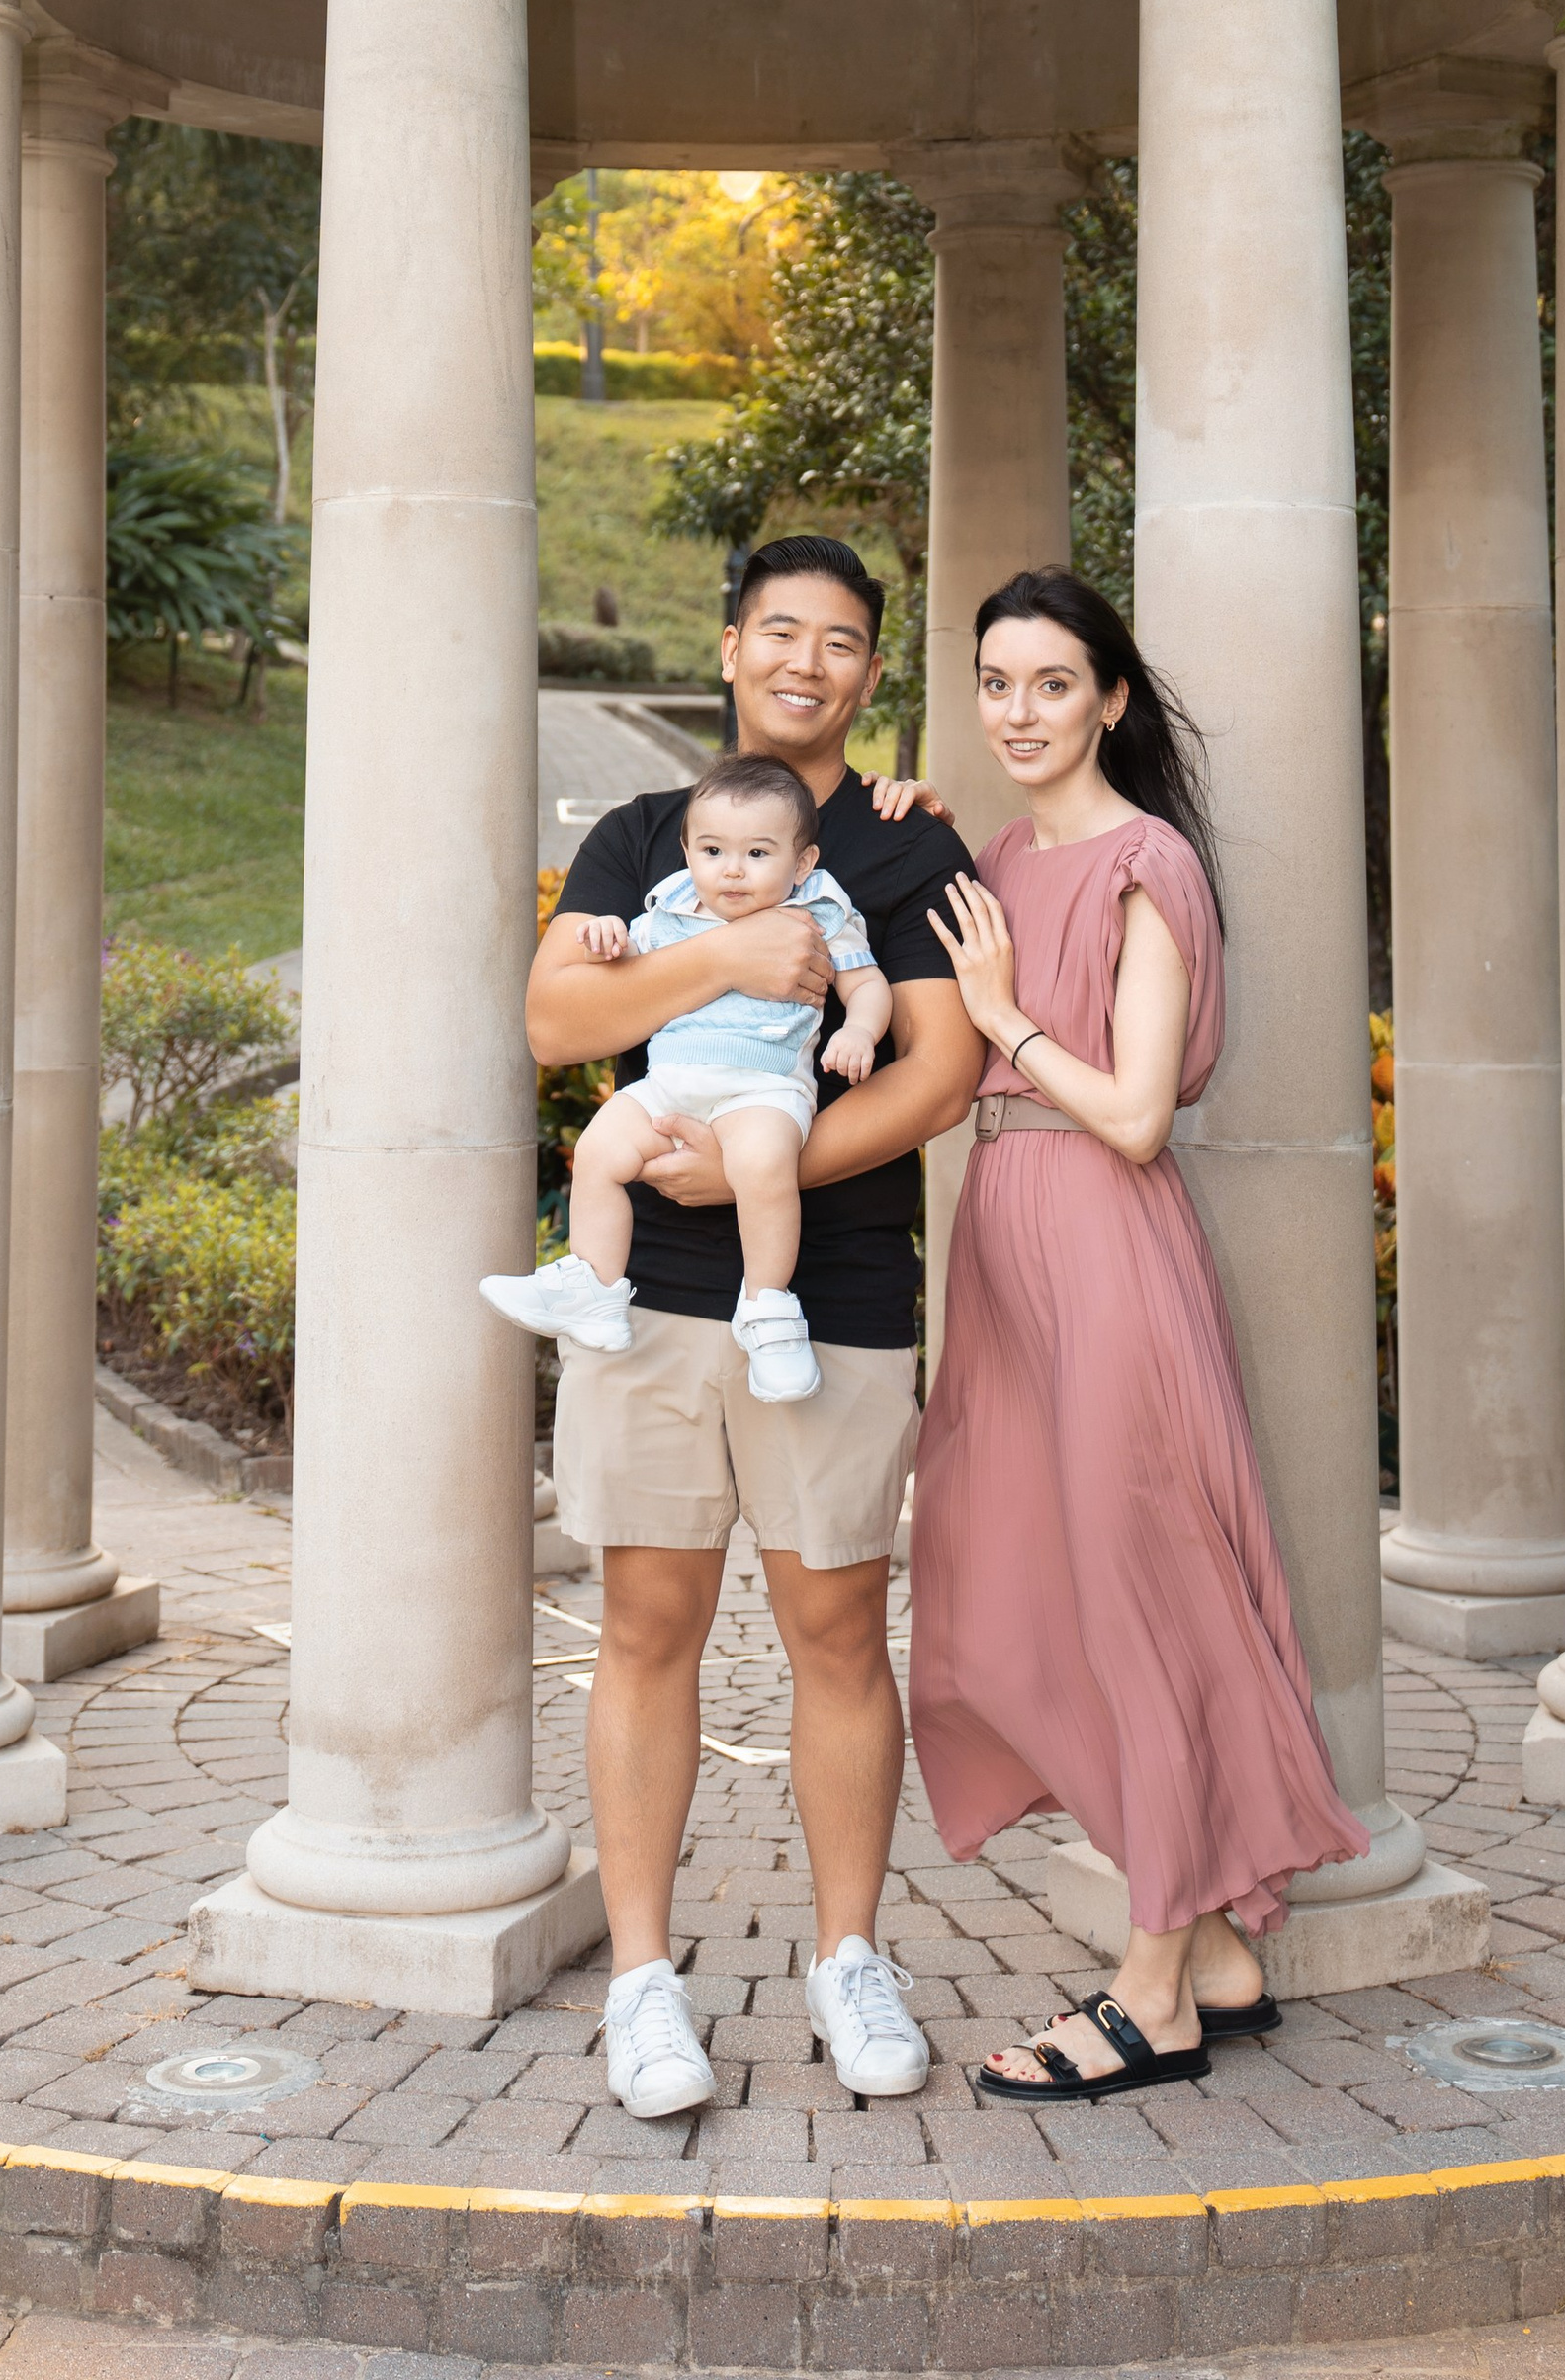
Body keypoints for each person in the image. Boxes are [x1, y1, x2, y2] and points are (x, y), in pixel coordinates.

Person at [526, 533, 981, 2122]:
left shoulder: (911, 851)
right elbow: (554, 1021)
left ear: (870, 672)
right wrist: (720, 954)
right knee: (645, 1625)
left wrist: (749, 1168)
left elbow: (938, 1071)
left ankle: (851, 1956)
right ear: (728, 650)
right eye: (778, 633)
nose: (806, 662)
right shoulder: (649, 832)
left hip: (839, 1294)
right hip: (646, 1297)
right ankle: (644, 1982)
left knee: (841, 1633)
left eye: (840, 640)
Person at [909, 565, 1367, 2104]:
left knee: (1142, 1594)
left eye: (1053, 683)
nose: (1020, 712)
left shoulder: (1142, 864)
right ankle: (1223, 1956)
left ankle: (1156, 1988)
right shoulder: (989, 861)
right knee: (1020, 1585)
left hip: (1105, 1246)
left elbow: (1135, 1115)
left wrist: (1006, 1013)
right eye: (996, 684)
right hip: (1006, 1257)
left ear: (1110, 697)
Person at [483, 750, 890, 1402]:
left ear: (801, 862)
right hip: (669, 1083)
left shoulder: (820, 908)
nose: (731, 869)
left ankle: (767, 1308)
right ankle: (595, 1287)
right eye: (711, 850)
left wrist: (858, 1030)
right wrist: (610, 934)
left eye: (758, 854)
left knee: (762, 1165)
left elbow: (865, 981)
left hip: (762, 1087)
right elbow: (624, 960)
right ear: (686, 852)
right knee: (598, 1152)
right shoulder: (671, 904)